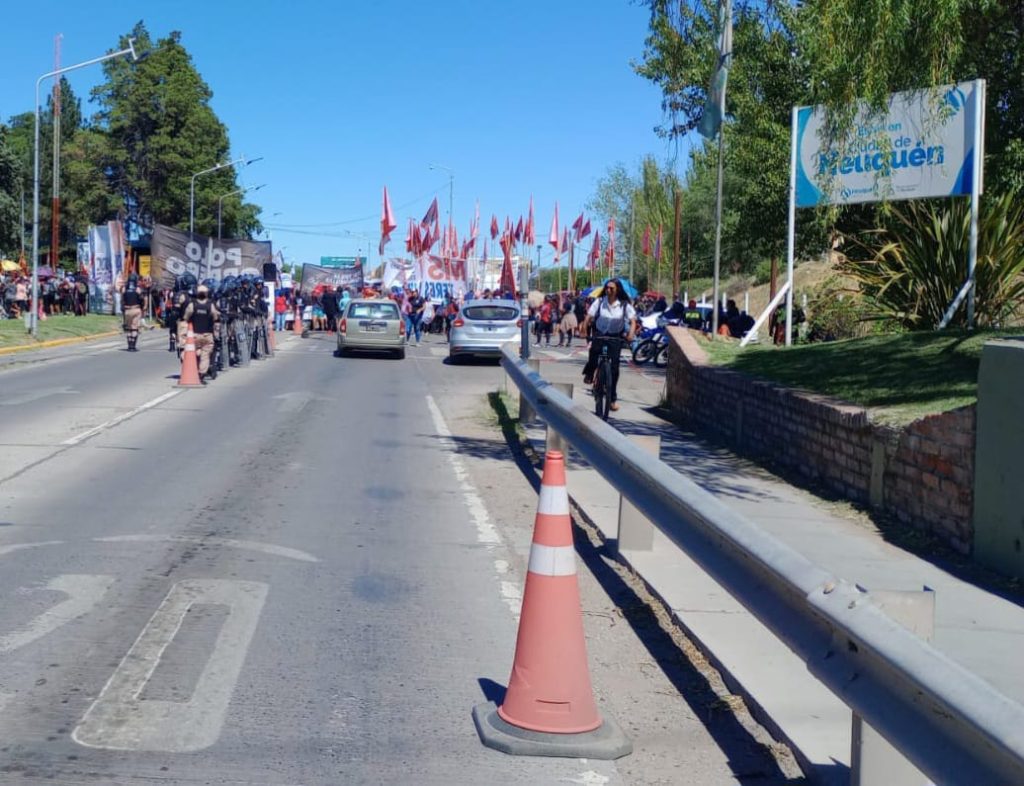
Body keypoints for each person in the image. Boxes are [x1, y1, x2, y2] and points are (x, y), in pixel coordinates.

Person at [580, 278, 636, 412]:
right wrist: (583, 329)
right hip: (600, 333)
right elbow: (589, 317)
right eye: (607, 288)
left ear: (617, 290)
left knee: (614, 369)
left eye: (611, 288)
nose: (608, 290)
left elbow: (633, 321)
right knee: (593, 354)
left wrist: (630, 334)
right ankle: (590, 373)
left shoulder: (624, 305)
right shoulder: (599, 302)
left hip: (615, 337)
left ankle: (612, 400)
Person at [181, 284, 220, 384]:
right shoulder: (210, 305)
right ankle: (201, 374)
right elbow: (216, 318)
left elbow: (185, 318)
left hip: (194, 335)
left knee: (195, 352)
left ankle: (195, 370)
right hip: (207, 335)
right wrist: (216, 334)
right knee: (205, 355)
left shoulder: (192, 305)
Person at [120, 273, 143, 352]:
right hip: (136, 309)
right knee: (134, 328)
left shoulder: (124, 288)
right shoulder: (137, 289)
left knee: (129, 328)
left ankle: (129, 345)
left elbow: (122, 299)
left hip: (127, 310)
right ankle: (133, 346)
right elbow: (141, 299)